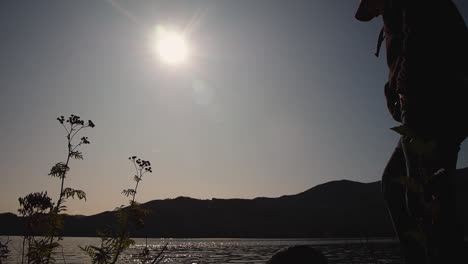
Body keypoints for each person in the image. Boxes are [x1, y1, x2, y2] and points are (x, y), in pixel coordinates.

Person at [354, 0, 468, 263]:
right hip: (436, 104)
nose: (376, 14)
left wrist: (403, 91)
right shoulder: (396, 10)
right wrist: (393, 90)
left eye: (375, 8)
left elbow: (420, 41)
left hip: (431, 104)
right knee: (398, 186)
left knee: (422, 195)